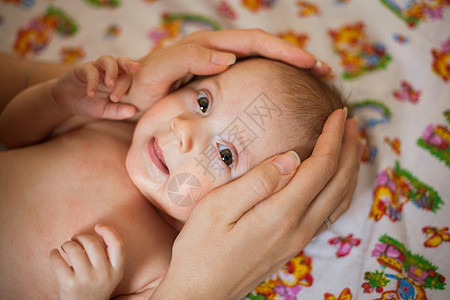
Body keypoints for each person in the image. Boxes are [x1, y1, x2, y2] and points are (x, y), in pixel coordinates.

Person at [0, 29, 361, 299]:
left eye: (225, 155)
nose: (185, 130)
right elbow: (11, 132)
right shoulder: (111, 125)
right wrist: (58, 100)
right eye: (203, 102)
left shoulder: (167, 268)